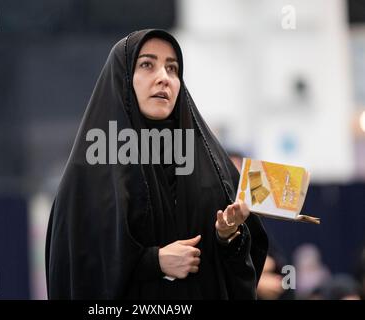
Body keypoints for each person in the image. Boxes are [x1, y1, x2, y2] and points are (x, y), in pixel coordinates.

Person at [45, 29, 268, 299]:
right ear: (124, 78)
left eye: (172, 69)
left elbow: (245, 267)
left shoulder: (211, 165)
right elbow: (75, 269)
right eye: (147, 65)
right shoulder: (92, 170)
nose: (163, 77)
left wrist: (228, 237)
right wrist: (152, 262)